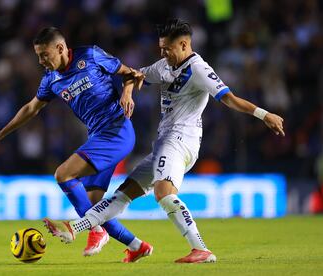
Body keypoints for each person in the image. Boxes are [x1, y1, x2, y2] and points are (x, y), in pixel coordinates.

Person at [43, 19, 285, 263]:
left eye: (167, 49)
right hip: (164, 142)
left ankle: (200, 248)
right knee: (123, 194)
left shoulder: (199, 69)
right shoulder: (164, 66)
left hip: (182, 140)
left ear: (183, 44)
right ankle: (75, 227)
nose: (163, 53)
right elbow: (133, 76)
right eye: (160, 48)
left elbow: (229, 98)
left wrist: (264, 115)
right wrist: (126, 90)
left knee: (164, 193)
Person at [0, 27, 153, 262]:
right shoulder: (51, 80)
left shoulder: (90, 56)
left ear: (60, 48)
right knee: (93, 207)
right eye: (38, 56)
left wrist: (127, 93)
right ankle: (137, 246)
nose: (41, 61)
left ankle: (96, 231)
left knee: (63, 174)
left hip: (117, 131)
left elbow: (132, 74)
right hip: (97, 137)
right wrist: (1, 133)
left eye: (44, 54)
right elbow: (31, 108)